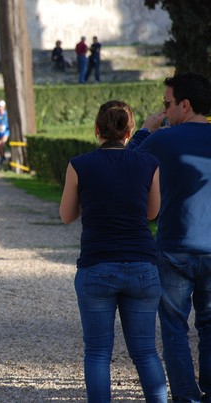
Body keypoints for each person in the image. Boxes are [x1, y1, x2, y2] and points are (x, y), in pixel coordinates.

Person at [60, 100, 166, 402]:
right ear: (129, 131)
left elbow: (67, 215)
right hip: (142, 264)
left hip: (97, 264)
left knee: (97, 352)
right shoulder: (149, 164)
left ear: (97, 130)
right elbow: (151, 213)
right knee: (146, 351)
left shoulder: (79, 164)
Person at [127, 71, 211, 403]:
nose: (165, 111)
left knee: (175, 327)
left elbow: (125, 164)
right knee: (209, 324)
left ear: (185, 105)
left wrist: (145, 129)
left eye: (167, 103)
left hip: (176, 243)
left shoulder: (162, 139)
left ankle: (186, 397)